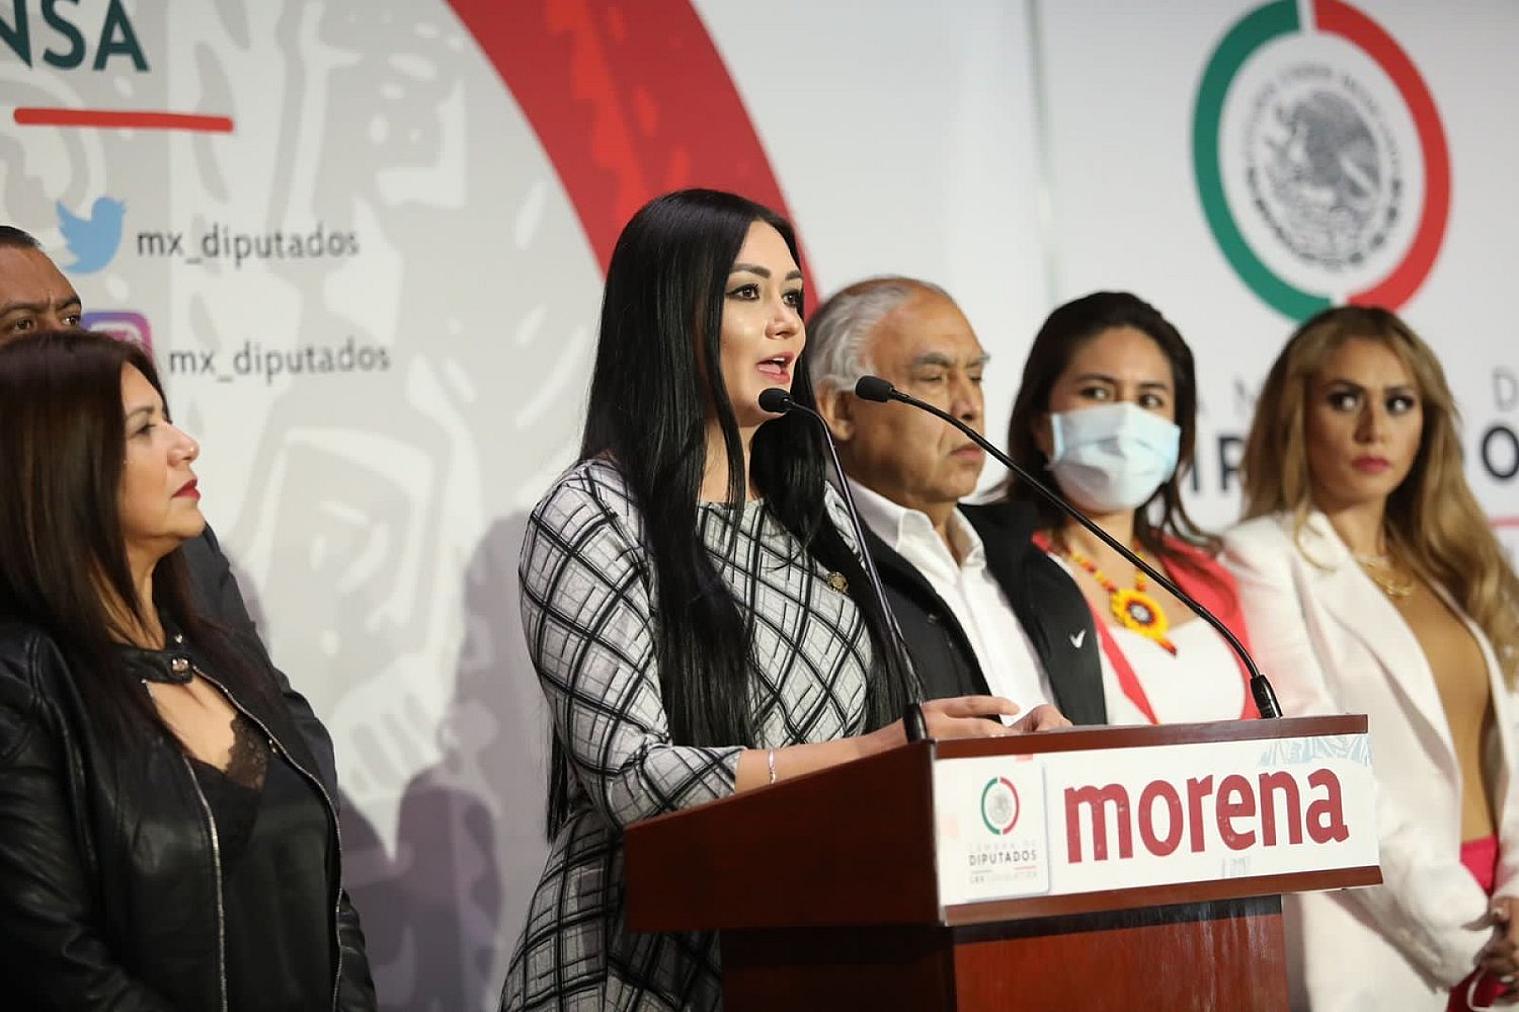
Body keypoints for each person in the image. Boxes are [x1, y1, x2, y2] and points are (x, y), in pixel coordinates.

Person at [499, 189, 1066, 1012]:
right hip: (637, 972)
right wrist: (881, 752)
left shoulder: (817, 512)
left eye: (792, 298)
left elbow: (880, 733)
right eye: (747, 293)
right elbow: (632, 778)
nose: (786, 326)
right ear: (667, 316)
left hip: (811, 958)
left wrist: (998, 753)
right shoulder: (592, 514)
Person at [0, 329, 374, 1010]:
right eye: (144, 429)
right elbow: (60, 964)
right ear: (60, 467)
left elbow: (326, 895)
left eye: (166, 418)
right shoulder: (24, 686)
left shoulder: (220, 652)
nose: (185, 445)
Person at [1223, 305, 1519, 1011]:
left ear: (1428, 422)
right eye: (1344, 399)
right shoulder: (1259, 556)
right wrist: (1467, 927)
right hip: (1388, 927)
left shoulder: (1461, 562)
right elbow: (1314, 765)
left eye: (1399, 403)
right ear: (1295, 415)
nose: (1373, 428)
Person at [809, 276, 1101, 722]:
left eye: (976, 377)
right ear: (841, 409)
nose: (969, 406)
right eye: (934, 377)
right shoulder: (803, 569)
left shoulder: (1037, 571)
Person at [994, 291, 1259, 725]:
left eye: (1150, 400)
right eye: (1097, 392)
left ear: (1177, 430)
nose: (1125, 421)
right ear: (1040, 423)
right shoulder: (998, 576)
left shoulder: (1208, 577)